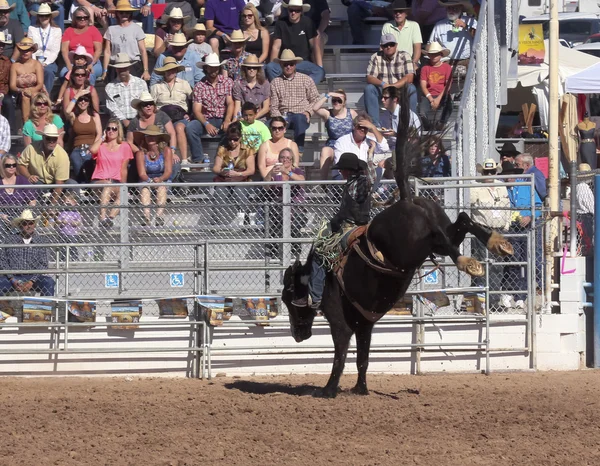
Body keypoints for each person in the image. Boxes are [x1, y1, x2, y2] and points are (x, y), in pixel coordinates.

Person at [293, 151, 376, 308]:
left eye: (342, 169)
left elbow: (369, 181)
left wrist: (370, 158)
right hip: (348, 225)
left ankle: (315, 297)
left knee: (320, 255)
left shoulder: (359, 184)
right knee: (318, 246)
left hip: (352, 227)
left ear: (349, 170)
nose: (340, 171)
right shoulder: (356, 182)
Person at [470, 158, 511, 290]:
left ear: (495, 172)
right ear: (482, 173)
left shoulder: (501, 185)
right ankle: (483, 295)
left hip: (499, 230)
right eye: (486, 172)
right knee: (482, 262)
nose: (489, 175)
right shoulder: (475, 186)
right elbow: (469, 204)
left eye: (491, 172)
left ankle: (493, 297)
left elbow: (507, 206)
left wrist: (506, 225)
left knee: (498, 265)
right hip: (483, 229)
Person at [269, 49, 320, 155]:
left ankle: (299, 150)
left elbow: (315, 98)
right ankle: (273, 151)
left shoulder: (306, 79)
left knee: (299, 118)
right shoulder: (275, 82)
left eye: (291, 64)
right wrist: (279, 118)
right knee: (268, 124)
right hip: (283, 115)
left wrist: (308, 112)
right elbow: (273, 105)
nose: (288, 67)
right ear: (281, 65)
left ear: (295, 65)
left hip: (300, 114)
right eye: (286, 64)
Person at [187, 53, 234, 163]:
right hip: (207, 118)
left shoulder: (227, 82)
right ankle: (198, 159)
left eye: (215, 68)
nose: (213, 70)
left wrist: (227, 119)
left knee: (234, 128)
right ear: (206, 68)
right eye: (211, 68)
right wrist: (206, 124)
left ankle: (227, 158)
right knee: (191, 128)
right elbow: (196, 110)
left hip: (223, 117)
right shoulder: (200, 86)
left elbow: (230, 103)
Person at [266, 0, 324, 84]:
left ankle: (303, 89)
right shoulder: (281, 23)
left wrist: (320, 66)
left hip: (302, 62)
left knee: (319, 71)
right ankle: (283, 87)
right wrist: (273, 64)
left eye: (297, 11)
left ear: (301, 11)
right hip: (285, 62)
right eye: (291, 10)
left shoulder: (307, 22)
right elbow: (276, 47)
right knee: (269, 67)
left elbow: (315, 46)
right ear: (288, 10)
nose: (293, 13)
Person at [365, 33, 417, 126]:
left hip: (399, 88)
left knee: (411, 88)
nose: (389, 47)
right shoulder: (375, 56)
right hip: (383, 88)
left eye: (391, 44)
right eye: (385, 45)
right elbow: (369, 77)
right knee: (369, 89)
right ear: (381, 47)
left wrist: (392, 86)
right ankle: (375, 125)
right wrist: (384, 85)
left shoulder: (405, 55)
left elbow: (409, 77)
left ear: (396, 45)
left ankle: (411, 123)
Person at [0, 209, 55, 296]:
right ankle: (4, 308)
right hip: (13, 277)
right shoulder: (9, 240)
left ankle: (46, 307)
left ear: (34, 224)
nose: (28, 226)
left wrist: (31, 281)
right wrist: (12, 279)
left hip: (34, 278)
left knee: (48, 282)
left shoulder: (41, 241)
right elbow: (3, 260)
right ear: (20, 225)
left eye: (31, 223)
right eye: (25, 223)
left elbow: (43, 263)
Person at [263, 146, 306, 258]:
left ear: (292, 160)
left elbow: (302, 181)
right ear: (279, 159)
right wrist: (270, 175)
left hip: (296, 207)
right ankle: (273, 254)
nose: (285, 160)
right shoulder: (275, 172)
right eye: (282, 157)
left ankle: (295, 253)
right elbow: (266, 187)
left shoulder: (296, 171)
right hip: (278, 207)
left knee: (294, 222)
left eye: (288, 158)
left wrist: (287, 172)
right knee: (277, 218)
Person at [151, 56, 193, 167]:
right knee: (160, 129)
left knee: (179, 127)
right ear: (164, 72)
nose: (170, 72)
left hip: (180, 115)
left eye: (172, 69)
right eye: (168, 70)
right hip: (162, 116)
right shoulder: (156, 87)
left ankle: (184, 160)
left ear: (176, 71)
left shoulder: (184, 84)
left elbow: (194, 100)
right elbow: (151, 105)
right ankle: (162, 159)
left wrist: (191, 115)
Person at [91, 119, 133, 228]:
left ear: (119, 131)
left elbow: (124, 169)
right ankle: (102, 217)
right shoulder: (101, 145)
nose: (111, 131)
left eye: (114, 129)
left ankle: (110, 218)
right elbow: (92, 150)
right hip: (99, 181)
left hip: (116, 182)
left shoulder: (125, 146)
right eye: (108, 128)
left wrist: (123, 186)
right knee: (108, 185)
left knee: (123, 193)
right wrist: (101, 138)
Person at [211, 122, 256, 226]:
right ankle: (216, 221)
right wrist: (222, 171)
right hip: (225, 179)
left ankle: (245, 219)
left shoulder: (248, 150)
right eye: (230, 139)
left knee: (239, 191)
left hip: (242, 179)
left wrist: (238, 174)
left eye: (235, 139)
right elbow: (216, 167)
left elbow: (251, 170)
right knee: (220, 192)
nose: (232, 142)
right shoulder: (223, 149)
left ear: (240, 137)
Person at [18, 123, 72, 205]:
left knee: (73, 185)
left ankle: (66, 210)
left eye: (54, 139)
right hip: (37, 182)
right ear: (43, 138)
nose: (51, 141)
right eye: (48, 138)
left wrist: (51, 206)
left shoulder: (62, 155)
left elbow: (59, 185)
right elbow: (20, 164)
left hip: (55, 183)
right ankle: (35, 208)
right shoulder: (31, 147)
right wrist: (29, 176)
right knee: (33, 184)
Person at [102, 0, 150, 82]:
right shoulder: (111, 29)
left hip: (133, 64)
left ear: (130, 13)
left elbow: (143, 51)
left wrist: (146, 70)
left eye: (126, 12)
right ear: (117, 13)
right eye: (121, 12)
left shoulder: (136, 28)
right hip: (116, 65)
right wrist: (105, 71)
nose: (124, 14)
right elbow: (107, 52)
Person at [135, 125, 173, 226]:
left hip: (163, 178)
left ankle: (159, 216)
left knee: (161, 187)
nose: (150, 138)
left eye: (153, 136)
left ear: (158, 138)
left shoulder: (166, 151)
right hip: (146, 179)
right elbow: (142, 174)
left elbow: (168, 171)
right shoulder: (140, 153)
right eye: (147, 135)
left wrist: (160, 179)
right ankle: (146, 217)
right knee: (145, 188)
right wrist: (151, 181)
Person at [312, 89, 357, 177]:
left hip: (348, 144)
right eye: (334, 100)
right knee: (325, 151)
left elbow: (359, 126)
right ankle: (323, 184)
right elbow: (314, 108)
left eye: (339, 100)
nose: (336, 103)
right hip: (333, 145)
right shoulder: (328, 113)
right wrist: (328, 95)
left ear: (344, 102)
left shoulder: (351, 113)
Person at [429, 0, 476, 78]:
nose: (451, 11)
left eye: (455, 8)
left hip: (467, 61)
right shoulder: (439, 25)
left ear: (461, 8)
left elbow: (479, 37)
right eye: (449, 8)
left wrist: (465, 26)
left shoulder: (471, 21)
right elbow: (431, 44)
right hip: (447, 61)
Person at [64, 88, 102, 183]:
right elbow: (67, 111)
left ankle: (90, 191)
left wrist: (93, 148)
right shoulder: (74, 116)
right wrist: (76, 96)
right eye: (81, 100)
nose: (83, 102)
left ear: (89, 102)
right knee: (77, 169)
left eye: (86, 100)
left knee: (90, 171)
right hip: (77, 149)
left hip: (90, 148)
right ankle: (80, 190)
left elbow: (99, 134)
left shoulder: (94, 116)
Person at [105, 53, 149, 131]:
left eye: (124, 68)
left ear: (129, 68)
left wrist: (138, 120)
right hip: (119, 123)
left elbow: (145, 102)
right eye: (119, 69)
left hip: (139, 120)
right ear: (116, 69)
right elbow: (112, 108)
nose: (122, 71)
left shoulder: (141, 83)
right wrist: (124, 120)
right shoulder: (110, 87)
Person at [126, 91, 177, 158]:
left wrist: (172, 150)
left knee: (176, 164)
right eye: (145, 104)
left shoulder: (161, 115)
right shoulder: (134, 121)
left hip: (163, 153)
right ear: (140, 107)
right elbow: (129, 142)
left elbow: (172, 133)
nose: (148, 106)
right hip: (142, 154)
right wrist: (140, 154)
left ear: (154, 106)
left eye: (150, 103)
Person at [60, 7, 103, 85]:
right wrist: (68, 64)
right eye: (79, 18)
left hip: (92, 61)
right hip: (74, 61)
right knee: (63, 73)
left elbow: (99, 50)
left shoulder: (93, 30)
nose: (83, 19)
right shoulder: (69, 31)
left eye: (85, 17)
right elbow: (64, 50)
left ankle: (88, 96)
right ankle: (68, 95)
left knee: (90, 75)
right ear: (75, 19)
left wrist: (91, 64)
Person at [28, 3, 61, 97]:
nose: (44, 17)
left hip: (50, 61)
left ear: (50, 17)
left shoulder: (57, 30)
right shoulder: (32, 29)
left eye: (46, 15)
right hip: (34, 59)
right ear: (38, 17)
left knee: (48, 72)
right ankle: (34, 96)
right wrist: (36, 63)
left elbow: (55, 51)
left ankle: (45, 97)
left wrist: (45, 63)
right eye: (41, 15)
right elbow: (31, 48)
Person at [419, 41, 453, 130]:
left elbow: (447, 85)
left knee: (449, 105)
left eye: (436, 54)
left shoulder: (447, 67)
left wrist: (438, 99)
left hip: (442, 94)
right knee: (422, 112)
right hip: (428, 95)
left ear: (441, 55)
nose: (434, 56)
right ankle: (427, 128)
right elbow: (423, 85)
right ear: (429, 55)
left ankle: (441, 124)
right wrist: (431, 99)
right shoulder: (425, 68)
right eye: (432, 54)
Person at [10, 38, 44, 123]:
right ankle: (26, 123)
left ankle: (37, 121)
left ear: (32, 51)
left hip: (35, 90)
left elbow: (40, 83)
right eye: (22, 50)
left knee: (32, 96)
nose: (25, 52)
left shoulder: (37, 64)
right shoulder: (15, 66)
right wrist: (21, 90)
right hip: (19, 93)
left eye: (28, 50)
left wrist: (30, 90)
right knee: (25, 97)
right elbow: (12, 85)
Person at [379, 86, 421, 152]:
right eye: (382, 97)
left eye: (385, 98)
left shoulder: (408, 115)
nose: (382, 100)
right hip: (388, 149)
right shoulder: (385, 115)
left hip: (405, 150)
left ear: (395, 99)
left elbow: (415, 138)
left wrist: (396, 134)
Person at [0, 153, 37, 227]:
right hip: (2, 216)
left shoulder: (22, 180)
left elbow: (32, 200)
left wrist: (28, 209)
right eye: (8, 165)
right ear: (2, 166)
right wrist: (1, 215)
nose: (11, 167)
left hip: (20, 216)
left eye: (14, 165)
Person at [381, 0, 421, 65]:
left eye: (401, 11)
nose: (398, 13)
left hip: (410, 62)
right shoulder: (387, 26)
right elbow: (382, 48)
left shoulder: (414, 25)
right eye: (395, 11)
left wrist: (414, 63)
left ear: (406, 13)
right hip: (391, 63)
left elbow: (417, 47)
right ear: (393, 14)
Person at [232, 54, 270, 121]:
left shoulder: (265, 84)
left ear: (258, 69)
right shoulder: (238, 84)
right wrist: (235, 119)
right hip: (244, 118)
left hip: (261, 119)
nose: (252, 70)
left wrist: (253, 118)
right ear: (245, 69)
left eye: (254, 68)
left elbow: (266, 108)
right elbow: (237, 106)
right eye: (249, 68)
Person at [56, 190, 82, 262]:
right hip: (63, 233)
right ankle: (63, 259)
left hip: (73, 233)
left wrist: (74, 223)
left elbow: (79, 222)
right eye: (65, 202)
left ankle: (74, 258)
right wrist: (61, 221)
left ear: (74, 203)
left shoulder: (76, 213)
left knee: (73, 247)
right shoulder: (62, 212)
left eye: (69, 201)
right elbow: (57, 221)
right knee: (63, 247)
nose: (66, 203)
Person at [0, 32, 14, 128]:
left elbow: (9, 80)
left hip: (3, 91)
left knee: (8, 102)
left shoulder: (7, 61)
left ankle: (11, 129)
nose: (1, 47)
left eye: (2, 45)